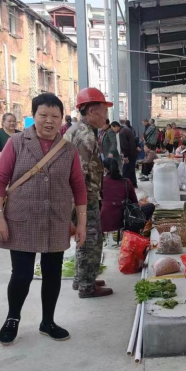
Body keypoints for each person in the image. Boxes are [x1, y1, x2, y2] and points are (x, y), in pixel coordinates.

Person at [0, 93, 87, 345]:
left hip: (56, 220)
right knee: (21, 274)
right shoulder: (17, 142)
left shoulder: (68, 149)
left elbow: (78, 187)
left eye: (55, 116)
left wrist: (82, 223)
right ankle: (13, 318)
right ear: (33, 116)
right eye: (43, 115)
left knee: (52, 273)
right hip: (22, 219)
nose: (49, 121)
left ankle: (48, 321)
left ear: (61, 119)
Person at [64, 87, 114, 299]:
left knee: (85, 239)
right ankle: (87, 285)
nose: (106, 116)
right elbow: (79, 174)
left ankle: (82, 278)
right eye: (104, 111)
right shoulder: (85, 135)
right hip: (84, 198)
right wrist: (80, 207)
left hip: (81, 197)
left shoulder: (78, 129)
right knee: (92, 240)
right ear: (92, 111)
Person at [100, 158, 154, 236]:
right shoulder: (126, 181)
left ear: (104, 169)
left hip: (104, 221)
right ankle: (137, 231)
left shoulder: (101, 182)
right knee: (151, 206)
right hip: (125, 221)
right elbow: (135, 202)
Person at [118, 119, 139, 188]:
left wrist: (126, 156)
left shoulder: (122, 132)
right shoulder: (127, 130)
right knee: (131, 170)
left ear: (115, 126)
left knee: (126, 171)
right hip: (133, 153)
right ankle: (133, 184)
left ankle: (125, 186)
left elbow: (125, 145)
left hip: (129, 154)